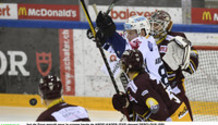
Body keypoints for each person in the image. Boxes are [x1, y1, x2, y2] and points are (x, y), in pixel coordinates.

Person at [112, 49, 192, 121]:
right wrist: (127, 105)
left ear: (129, 67)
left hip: (174, 118)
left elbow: (161, 114)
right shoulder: (142, 78)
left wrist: (135, 107)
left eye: (123, 64)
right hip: (180, 113)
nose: (122, 67)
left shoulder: (139, 84)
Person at [149, 10, 199, 121]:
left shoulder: (176, 39)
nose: (153, 28)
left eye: (156, 25)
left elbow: (193, 64)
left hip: (175, 93)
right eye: (151, 24)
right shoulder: (146, 41)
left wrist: (183, 61)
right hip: (154, 95)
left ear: (166, 26)